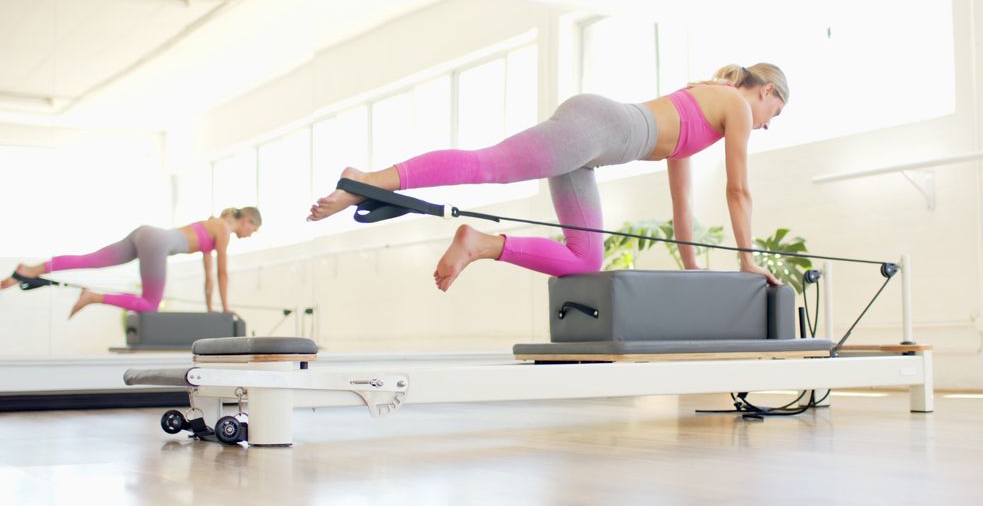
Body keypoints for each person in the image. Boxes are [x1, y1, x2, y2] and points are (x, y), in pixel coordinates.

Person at [308, 63, 787, 292]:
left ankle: (480, 242)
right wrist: (747, 260)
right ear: (764, 91)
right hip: (597, 129)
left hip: (590, 151)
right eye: (773, 112)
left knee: (585, 260)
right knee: (488, 165)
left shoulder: (704, 104)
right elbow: (738, 190)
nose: (765, 124)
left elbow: (683, 206)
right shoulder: (736, 107)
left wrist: (692, 273)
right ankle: (365, 179)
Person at [2, 207, 262, 317]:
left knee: (89, 260)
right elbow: (222, 274)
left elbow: (209, 277)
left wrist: (212, 311)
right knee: (150, 305)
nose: (250, 236)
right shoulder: (224, 230)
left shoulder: (213, 224)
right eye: (254, 231)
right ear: (248, 220)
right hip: (157, 243)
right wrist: (226, 308)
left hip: (145, 233)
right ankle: (92, 297)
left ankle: (30, 269)